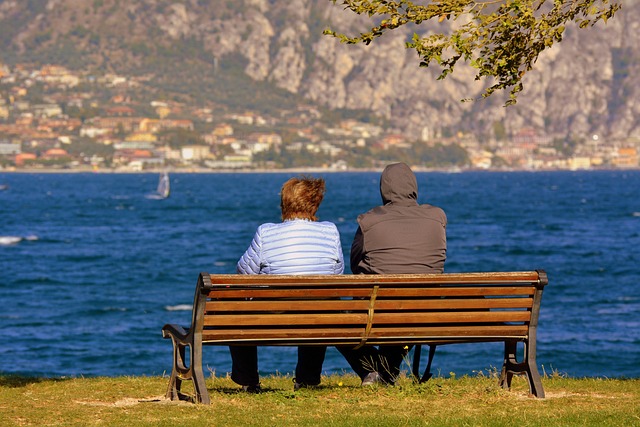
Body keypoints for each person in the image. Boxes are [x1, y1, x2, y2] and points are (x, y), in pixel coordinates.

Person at [231, 176, 344, 392]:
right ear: (315, 203)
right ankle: (307, 379)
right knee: (320, 303)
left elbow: (244, 271)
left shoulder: (266, 232)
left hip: (273, 317)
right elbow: (336, 273)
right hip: (317, 316)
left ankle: (249, 381)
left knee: (236, 313)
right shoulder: (330, 231)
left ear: (284, 203)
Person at [338, 162, 447, 386]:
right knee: (407, 309)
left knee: (336, 318)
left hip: (379, 307)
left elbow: (355, 263)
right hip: (426, 309)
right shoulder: (437, 217)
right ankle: (385, 373)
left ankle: (374, 371)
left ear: (383, 189)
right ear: (413, 186)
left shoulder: (369, 221)